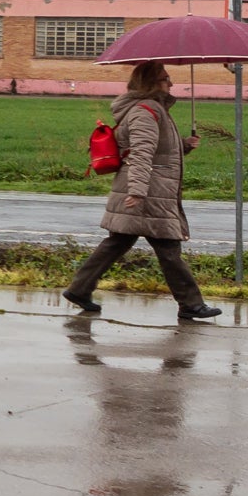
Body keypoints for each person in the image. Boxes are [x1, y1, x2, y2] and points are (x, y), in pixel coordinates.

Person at [64, 61, 223, 321]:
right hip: (147, 189)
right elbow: (141, 153)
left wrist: (184, 145)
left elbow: (159, 148)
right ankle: (191, 304)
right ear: (149, 84)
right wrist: (138, 191)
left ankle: (79, 289)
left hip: (147, 186)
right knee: (168, 248)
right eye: (164, 79)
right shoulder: (145, 111)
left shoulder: (154, 109)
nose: (170, 83)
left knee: (117, 242)